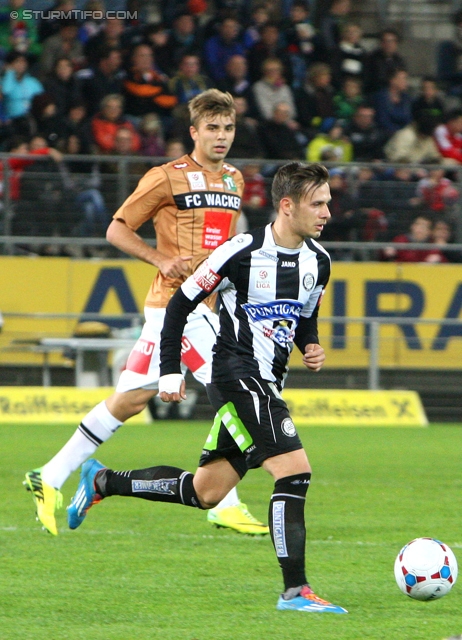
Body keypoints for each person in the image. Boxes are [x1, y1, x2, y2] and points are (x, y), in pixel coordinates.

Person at [67, 161, 349, 615]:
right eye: (317, 203)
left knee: (206, 492)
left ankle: (103, 480)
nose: (327, 212)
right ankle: (295, 591)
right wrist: (171, 370)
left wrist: (310, 345)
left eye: (328, 202)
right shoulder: (239, 252)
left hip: (269, 384)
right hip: (236, 378)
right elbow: (179, 304)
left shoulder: (320, 261)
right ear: (287, 205)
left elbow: (304, 317)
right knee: (294, 472)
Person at [24, 88, 269, 538]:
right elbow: (116, 228)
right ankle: (225, 501)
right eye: (212, 128)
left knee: (130, 400)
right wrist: (160, 259)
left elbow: (223, 248)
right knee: (229, 386)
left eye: (228, 128)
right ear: (194, 132)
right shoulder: (166, 176)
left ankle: (51, 476)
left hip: (197, 307)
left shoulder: (234, 179)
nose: (221, 136)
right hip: (180, 306)